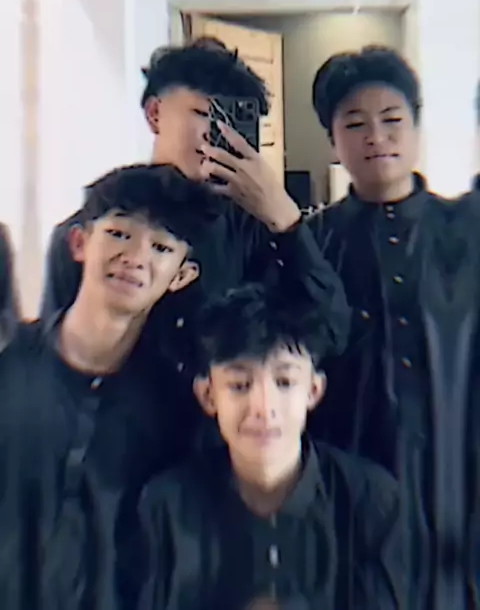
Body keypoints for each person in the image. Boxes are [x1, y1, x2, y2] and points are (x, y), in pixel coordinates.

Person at [40, 40, 348, 369]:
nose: (216, 134)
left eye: (230, 122)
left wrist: (285, 219)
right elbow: (53, 362)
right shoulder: (97, 227)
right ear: (155, 114)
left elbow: (330, 333)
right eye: (204, 114)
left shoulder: (256, 231)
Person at [0, 163, 221, 610]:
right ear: (79, 242)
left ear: (181, 276)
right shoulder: (9, 366)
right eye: (119, 234)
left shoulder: (177, 410)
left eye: (161, 247)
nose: (135, 257)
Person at [307, 45, 477, 610]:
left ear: (417, 126)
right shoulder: (313, 244)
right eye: (355, 124)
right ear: (333, 142)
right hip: (358, 465)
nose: (376, 137)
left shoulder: (466, 228)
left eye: (392, 119)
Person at [136, 283, 403, 610]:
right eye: (240, 385)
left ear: (313, 391)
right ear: (208, 395)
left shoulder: (373, 503)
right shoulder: (166, 506)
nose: (263, 407)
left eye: (284, 382)